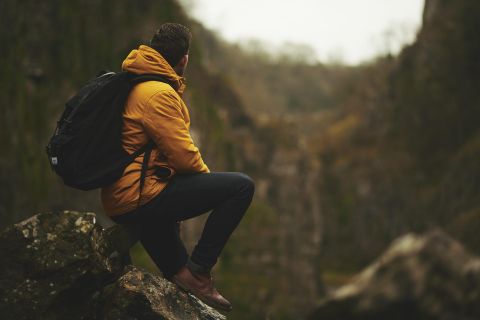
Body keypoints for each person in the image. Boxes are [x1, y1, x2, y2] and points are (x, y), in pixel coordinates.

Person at [100, 23, 255, 312]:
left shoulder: (137, 82)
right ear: (184, 58)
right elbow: (183, 156)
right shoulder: (158, 93)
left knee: (179, 276)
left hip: (128, 195)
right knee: (240, 186)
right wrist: (202, 189)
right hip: (139, 197)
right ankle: (201, 270)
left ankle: (189, 278)